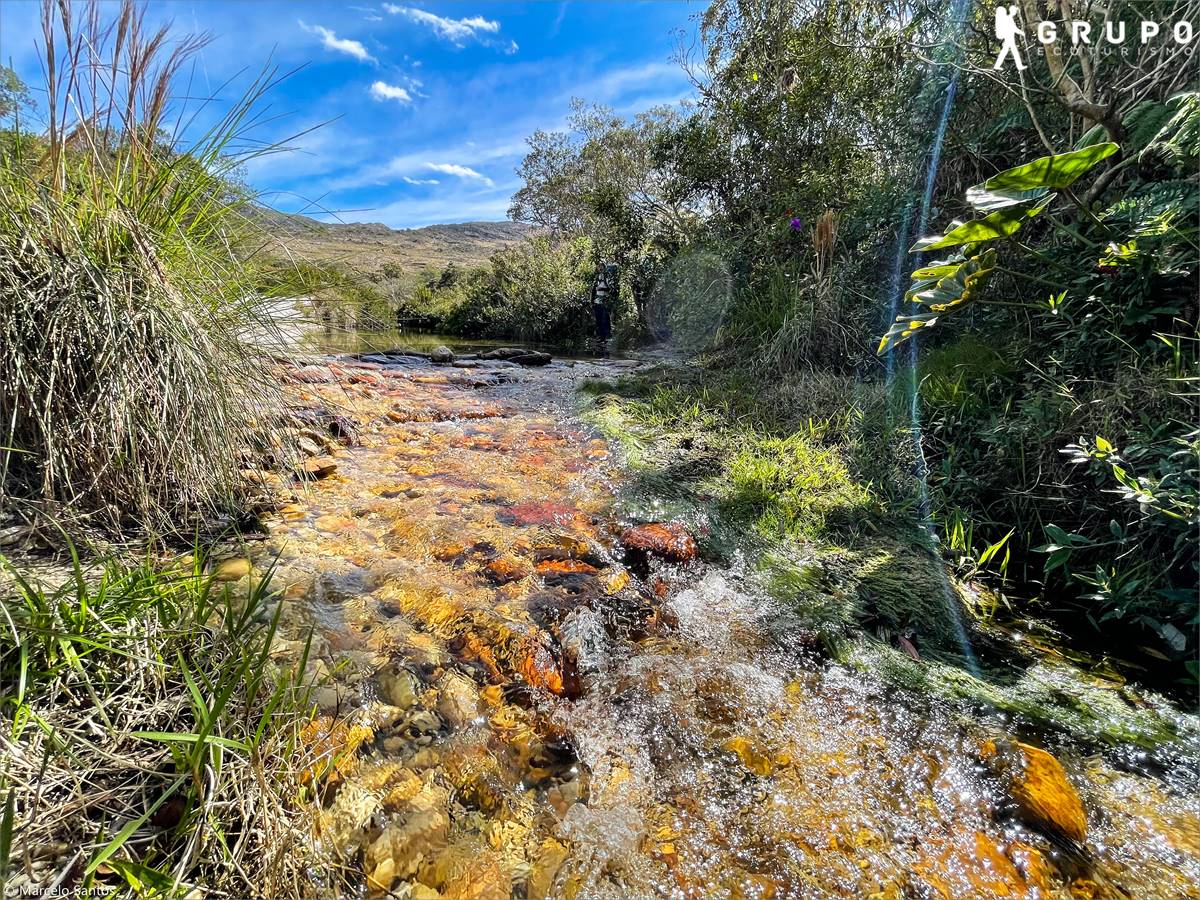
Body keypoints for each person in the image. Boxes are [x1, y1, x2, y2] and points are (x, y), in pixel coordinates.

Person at [994, 4, 1027, 70]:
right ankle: (1019, 66)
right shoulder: (1007, 19)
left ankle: (997, 65)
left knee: (1006, 52)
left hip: (1009, 38)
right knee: (1013, 51)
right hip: (1008, 37)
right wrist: (1021, 33)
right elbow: (1014, 28)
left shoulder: (1007, 18)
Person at [591, 262, 615, 345]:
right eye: (598, 266)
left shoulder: (607, 276)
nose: (599, 268)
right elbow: (593, 290)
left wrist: (601, 289)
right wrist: (592, 301)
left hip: (604, 302)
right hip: (597, 302)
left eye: (601, 266)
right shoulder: (597, 277)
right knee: (598, 321)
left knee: (605, 320)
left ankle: (606, 338)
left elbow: (610, 289)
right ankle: (601, 337)